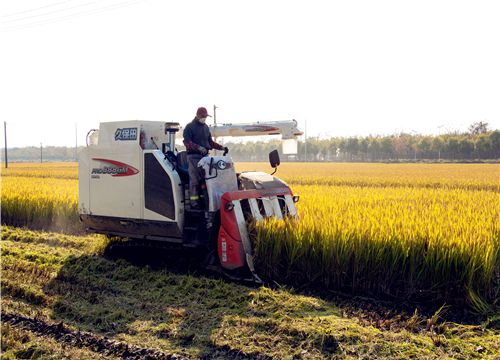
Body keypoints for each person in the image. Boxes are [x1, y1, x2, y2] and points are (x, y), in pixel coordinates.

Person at [183, 106, 228, 207]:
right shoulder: (189, 127)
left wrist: (221, 148)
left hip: (205, 158)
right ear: (198, 116)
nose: (204, 118)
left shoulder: (206, 127)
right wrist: (198, 148)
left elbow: (210, 142)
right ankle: (194, 203)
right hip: (193, 157)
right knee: (194, 180)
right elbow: (187, 142)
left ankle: (206, 202)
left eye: (205, 117)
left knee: (207, 180)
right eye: (203, 117)